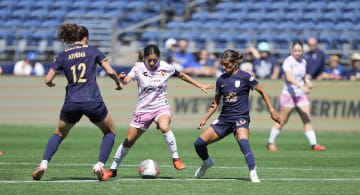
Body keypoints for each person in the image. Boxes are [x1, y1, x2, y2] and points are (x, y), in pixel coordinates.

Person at [103, 44, 214, 180]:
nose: (151, 62)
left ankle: (176, 159)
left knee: (164, 126)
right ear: (144, 58)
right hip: (143, 110)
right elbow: (126, 81)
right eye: (149, 60)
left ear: (159, 58)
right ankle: (113, 169)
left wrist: (200, 85)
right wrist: (121, 79)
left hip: (161, 107)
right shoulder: (138, 67)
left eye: (154, 60)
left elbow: (182, 75)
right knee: (129, 140)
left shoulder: (166, 67)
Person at [31, 24, 122, 181]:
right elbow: (110, 71)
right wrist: (118, 83)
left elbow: (47, 79)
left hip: (72, 101)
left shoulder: (63, 55)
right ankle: (99, 165)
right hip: (92, 99)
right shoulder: (93, 50)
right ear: (85, 38)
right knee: (110, 132)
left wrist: (51, 84)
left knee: (59, 133)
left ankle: (44, 164)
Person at [193, 49, 282, 183]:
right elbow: (215, 103)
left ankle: (253, 172)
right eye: (223, 64)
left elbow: (262, 91)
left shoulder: (245, 77)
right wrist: (205, 118)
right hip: (224, 120)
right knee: (199, 144)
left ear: (235, 63)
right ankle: (207, 162)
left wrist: (272, 111)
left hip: (240, 118)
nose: (225, 67)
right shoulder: (221, 80)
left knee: (243, 142)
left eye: (227, 64)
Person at [267, 41, 326, 152]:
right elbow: (288, 78)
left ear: (302, 51)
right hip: (289, 95)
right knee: (282, 120)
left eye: (299, 50)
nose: (297, 53)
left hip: (300, 96)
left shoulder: (303, 61)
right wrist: (302, 86)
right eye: (295, 50)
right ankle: (270, 143)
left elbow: (304, 76)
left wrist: (308, 82)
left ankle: (314, 145)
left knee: (307, 119)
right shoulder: (288, 61)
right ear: (292, 51)